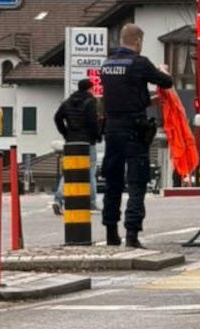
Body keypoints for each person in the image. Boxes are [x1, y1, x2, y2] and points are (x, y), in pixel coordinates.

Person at [100, 23, 173, 248]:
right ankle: (132, 234)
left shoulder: (107, 64)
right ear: (138, 42)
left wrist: (146, 100)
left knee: (112, 182)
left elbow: (122, 96)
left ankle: (111, 233)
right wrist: (164, 71)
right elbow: (166, 82)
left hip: (112, 129)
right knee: (136, 183)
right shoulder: (139, 63)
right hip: (134, 130)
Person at [53, 78, 102, 215]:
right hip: (87, 142)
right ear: (90, 88)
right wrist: (97, 136)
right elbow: (92, 122)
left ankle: (59, 199)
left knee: (69, 172)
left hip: (71, 142)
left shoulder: (67, 102)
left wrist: (65, 133)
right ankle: (91, 202)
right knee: (90, 171)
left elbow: (57, 118)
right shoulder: (90, 101)